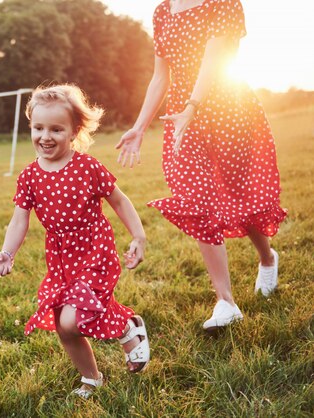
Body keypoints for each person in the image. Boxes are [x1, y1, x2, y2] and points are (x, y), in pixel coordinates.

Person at [116, 0, 287, 332]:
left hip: (228, 110)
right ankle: (226, 301)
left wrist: (193, 105)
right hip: (182, 121)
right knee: (196, 201)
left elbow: (214, 59)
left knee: (241, 201)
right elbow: (160, 76)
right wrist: (139, 125)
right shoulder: (162, 11)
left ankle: (267, 258)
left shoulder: (222, 3)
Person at [0, 84, 150, 399]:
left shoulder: (86, 167)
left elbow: (119, 200)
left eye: (56, 129)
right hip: (60, 258)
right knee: (63, 326)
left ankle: (128, 328)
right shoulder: (29, 177)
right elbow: (19, 219)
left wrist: (138, 235)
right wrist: (7, 252)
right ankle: (92, 378)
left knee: (73, 319)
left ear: (74, 132)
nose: (45, 136)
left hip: (93, 249)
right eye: (38, 128)